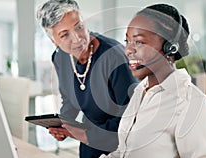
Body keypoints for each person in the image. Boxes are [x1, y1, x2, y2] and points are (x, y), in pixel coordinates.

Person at [100, 4, 206, 158]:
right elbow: (124, 151)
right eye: (127, 41)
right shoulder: (140, 91)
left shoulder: (191, 102)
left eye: (139, 42)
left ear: (170, 48)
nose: (128, 50)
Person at [36, 0, 138, 157]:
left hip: (121, 144)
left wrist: (81, 133)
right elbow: (70, 101)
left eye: (79, 27)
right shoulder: (60, 58)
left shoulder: (114, 56)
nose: (77, 39)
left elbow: (130, 119)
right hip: (90, 142)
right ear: (54, 41)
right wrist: (63, 126)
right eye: (65, 35)